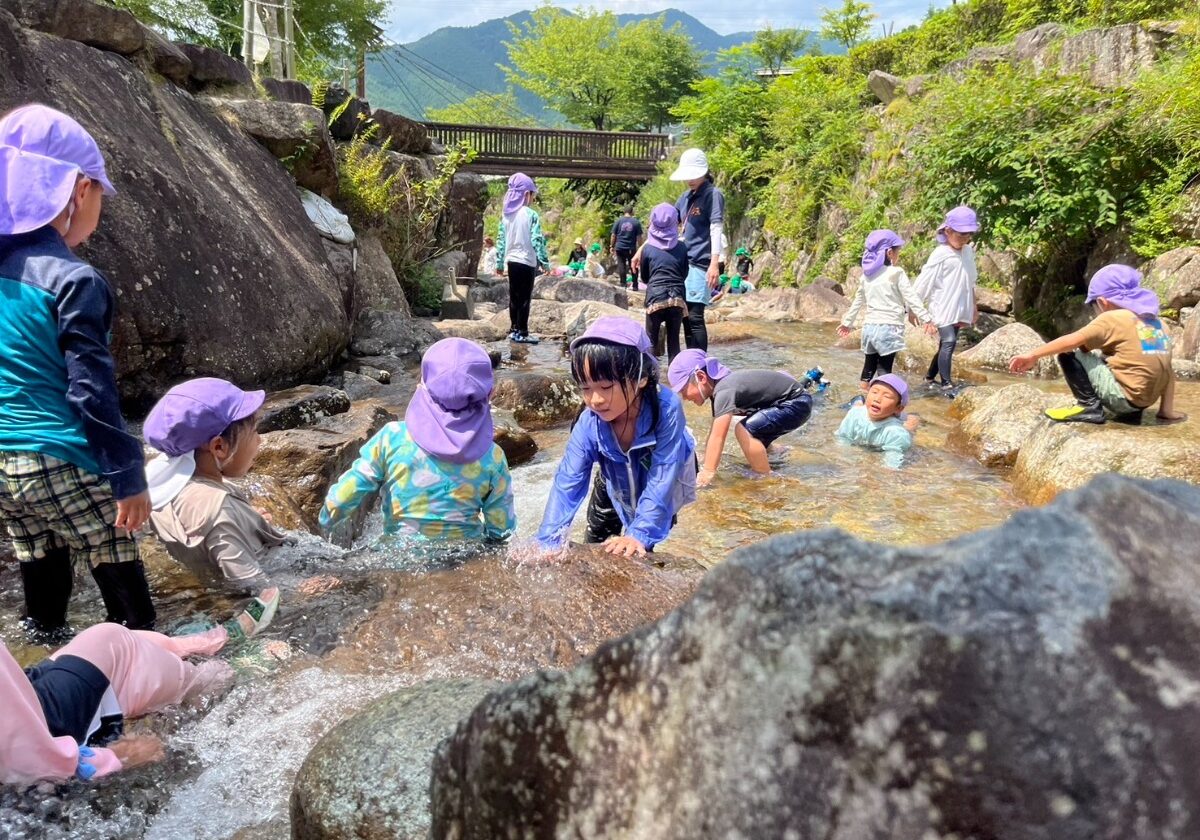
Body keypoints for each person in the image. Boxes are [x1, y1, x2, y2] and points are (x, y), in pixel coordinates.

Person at [0, 103, 156, 641]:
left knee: (42, 586)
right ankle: (138, 678)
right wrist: (128, 476)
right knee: (123, 582)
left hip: (4, 463)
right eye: (100, 197)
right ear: (79, 191)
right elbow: (91, 390)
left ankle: (40, 675)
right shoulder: (73, 280)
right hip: (62, 454)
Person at [321, 338, 516, 541]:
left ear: (422, 385)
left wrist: (321, 525)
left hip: (397, 560)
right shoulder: (492, 456)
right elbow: (501, 530)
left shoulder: (391, 438)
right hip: (467, 561)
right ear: (488, 394)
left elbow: (342, 499)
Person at [536, 318, 696, 557]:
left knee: (639, 543)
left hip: (665, 470)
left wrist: (639, 534)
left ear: (641, 378)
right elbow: (568, 479)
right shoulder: (590, 421)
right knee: (596, 535)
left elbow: (663, 472)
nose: (595, 400)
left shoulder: (666, 408)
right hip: (614, 472)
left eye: (606, 387)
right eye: (586, 388)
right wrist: (548, 539)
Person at [1, 622, 234, 785]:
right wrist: (115, 758)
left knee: (108, 639)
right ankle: (223, 670)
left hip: (27, 695)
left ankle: (180, 648)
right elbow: (30, 757)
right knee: (115, 640)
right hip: (48, 722)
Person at [143, 378, 283, 638]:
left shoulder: (164, 488)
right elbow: (260, 592)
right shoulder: (219, 512)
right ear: (219, 446)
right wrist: (303, 591)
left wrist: (247, 523)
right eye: (254, 432)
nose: (260, 441)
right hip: (253, 593)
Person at [1009, 264, 1187, 426]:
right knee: (1147, 362)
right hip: (1145, 402)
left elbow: (1072, 341)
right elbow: (1167, 371)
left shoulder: (1111, 318)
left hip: (1122, 400)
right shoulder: (1158, 324)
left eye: (1094, 305)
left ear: (1103, 302)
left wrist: (1033, 355)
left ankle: (1088, 407)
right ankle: (1156, 411)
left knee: (1069, 354)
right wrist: (1165, 411)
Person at [669, 349, 812, 485]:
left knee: (743, 429)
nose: (684, 397)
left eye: (683, 390)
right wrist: (706, 457)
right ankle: (777, 452)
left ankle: (765, 476)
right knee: (753, 427)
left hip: (796, 402)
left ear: (701, 377)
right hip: (794, 400)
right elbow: (714, 431)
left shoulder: (724, 391)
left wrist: (707, 471)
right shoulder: (721, 390)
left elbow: (718, 437)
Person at [837, 230, 937, 390]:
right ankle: (881, 402)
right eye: (898, 252)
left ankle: (863, 397)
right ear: (890, 253)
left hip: (869, 329)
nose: (899, 255)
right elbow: (911, 297)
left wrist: (847, 323)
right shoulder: (896, 273)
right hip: (889, 328)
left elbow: (858, 301)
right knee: (884, 369)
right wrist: (926, 319)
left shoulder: (866, 277)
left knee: (868, 367)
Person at [912, 206, 980, 393]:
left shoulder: (967, 252)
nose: (965, 239)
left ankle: (929, 377)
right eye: (961, 234)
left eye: (968, 235)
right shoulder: (941, 254)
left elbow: (970, 281)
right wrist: (915, 309)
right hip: (942, 307)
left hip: (960, 307)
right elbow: (924, 282)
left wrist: (974, 307)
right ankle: (947, 384)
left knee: (945, 344)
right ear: (948, 231)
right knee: (949, 341)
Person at [671, 148, 725, 351]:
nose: (690, 179)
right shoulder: (685, 197)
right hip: (683, 262)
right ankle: (690, 361)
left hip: (700, 263)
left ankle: (700, 364)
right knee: (685, 315)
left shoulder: (713, 194)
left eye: (695, 175)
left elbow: (716, 228)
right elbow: (668, 223)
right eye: (688, 175)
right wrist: (643, 249)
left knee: (695, 316)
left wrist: (714, 264)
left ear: (704, 172)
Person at [496, 172, 549, 344]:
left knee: (514, 297)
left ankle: (513, 329)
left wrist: (499, 263)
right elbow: (537, 240)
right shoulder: (530, 214)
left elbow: (500, 241)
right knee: (525, 298)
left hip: (511, 261)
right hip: (527, 262)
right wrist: (545, 262)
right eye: (532, 195)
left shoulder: (506, 215)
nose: (533, 198)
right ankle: (523, 332)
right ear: (526, 194)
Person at [640, 203, 689, 362]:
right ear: (675, 222)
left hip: (655, 297)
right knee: (674, 343)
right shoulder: (681, 247)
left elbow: (645, 277)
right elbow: (684, 273)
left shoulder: (647, 249)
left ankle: (651, 381)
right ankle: (676, 381)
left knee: (651, 342)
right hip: (677, 297)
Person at [835, 374, 914, 470]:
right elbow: (843, 437)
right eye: (874, 392)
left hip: (894, 425)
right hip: (860, 412)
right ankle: (858, 400)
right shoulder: (854, 415)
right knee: (857, 407)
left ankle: (914, 417)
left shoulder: (896, 433)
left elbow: (892, 460)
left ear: (898, 408)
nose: (877, 399)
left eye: (887, 396)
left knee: (910, 425)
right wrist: (845, 460)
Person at [610, 206, 643, 287]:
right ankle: (635, 285)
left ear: (624, 212)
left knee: (621, 265)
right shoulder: (636, 222)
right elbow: (639, 237)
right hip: (631, 248)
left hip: (620, 247)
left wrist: (612, 246)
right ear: (632, 212)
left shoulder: (618, 221)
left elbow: (613, 235)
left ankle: (623, 284)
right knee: (634, 265)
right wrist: (641, 248)